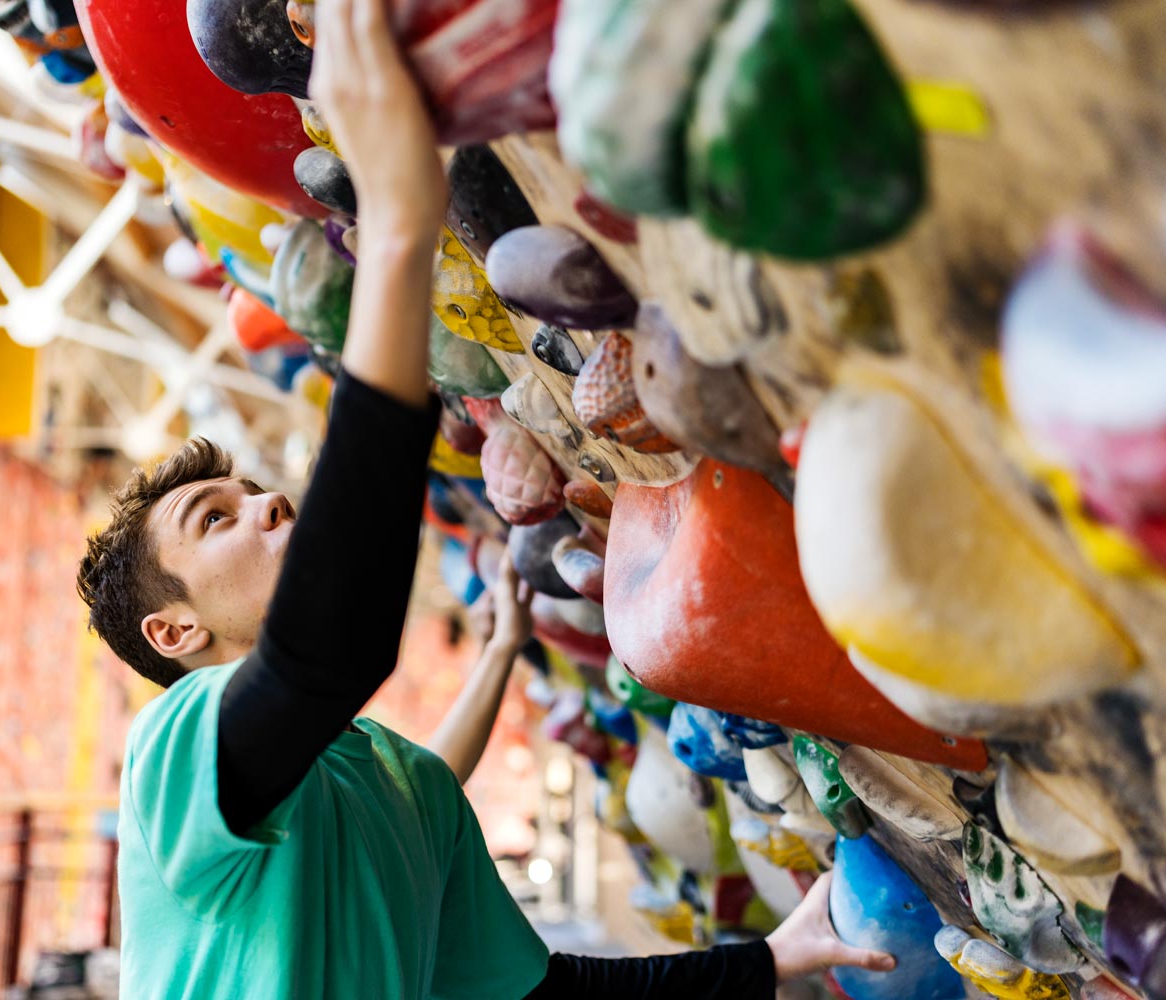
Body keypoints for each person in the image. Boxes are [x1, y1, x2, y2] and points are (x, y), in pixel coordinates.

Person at [75, 0, 900, 993]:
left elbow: (546, 994)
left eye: (256, 493)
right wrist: (399, 228)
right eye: (216, 519)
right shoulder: (175, 755)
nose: (269, 507)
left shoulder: (398, 781)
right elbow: (323, 654)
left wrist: (769, 960)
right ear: (172, 633)